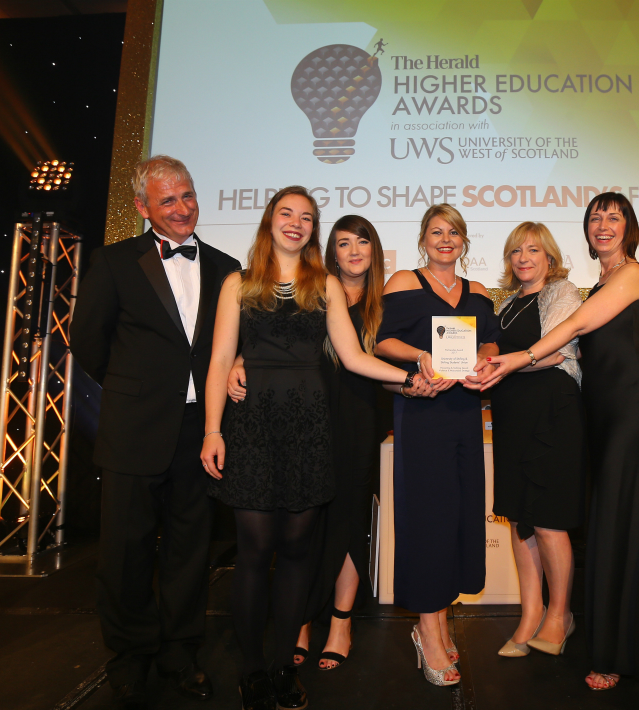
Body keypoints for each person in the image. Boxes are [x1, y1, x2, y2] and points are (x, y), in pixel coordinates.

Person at [200, 187, 425, 710]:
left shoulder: (324, 283)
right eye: (287, 213)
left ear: (313, 229)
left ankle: (282, 666)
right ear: (269, 221)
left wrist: (410, 379)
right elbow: (218, 362)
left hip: (309, 427)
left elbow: (352, 357)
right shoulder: (238, 282)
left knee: (299, 553)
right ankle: (252, 669)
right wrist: (213, 430)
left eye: (307, 217)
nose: (296, 223)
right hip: (251, 427)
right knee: (254, 555)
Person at [477, 193, 639, 691]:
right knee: (584, 527)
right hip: (597, 410)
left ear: (630, 226)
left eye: (614, 217)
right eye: (594, 218)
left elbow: (575, 332)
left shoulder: (624, 276)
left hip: (623, 408)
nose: (603, 225)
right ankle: (581, 634)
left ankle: (610, 643)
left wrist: (519, 358)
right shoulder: (592, 282)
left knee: (610, 525)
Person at [70, 155, 241, 709]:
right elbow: (89, 343)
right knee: (125, 552)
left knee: (191, 551)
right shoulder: (114, 261)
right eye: (168, 200)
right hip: (133, 429)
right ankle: (129, 656)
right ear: (142, 208)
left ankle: (180, 654)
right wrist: (137, 391)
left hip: (200, 431)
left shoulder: (225, 266)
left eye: (188, 195)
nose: (183, 208)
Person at [226, 215, 390, 671]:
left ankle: (340, 622)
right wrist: (241, 357)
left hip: (360, 418)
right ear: (330, 252)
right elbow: (273, 337)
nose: (354, 251)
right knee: (306, 524)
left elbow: (389, 356)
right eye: (343, 243)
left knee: (350, 517)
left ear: (375, 250)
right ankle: (299, 620)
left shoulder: (388, 299)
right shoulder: (313, 290)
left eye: (363, 242)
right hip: (309, 417)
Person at [375, 203, 501, 686]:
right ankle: (428, 630)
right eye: (435, 232)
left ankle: (441, 617)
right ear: (423, 239)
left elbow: (491, 343)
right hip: (424, 408)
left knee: (460, 515)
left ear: (464, 241)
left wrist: (480, 356)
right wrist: (423, 357)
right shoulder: (405, 281)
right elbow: (382, 341)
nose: (444, 239)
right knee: (428, 516)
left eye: (453, 232)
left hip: (465, 412)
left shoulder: (479, 291)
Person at [489, 222, 585, 660]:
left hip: (552, 410)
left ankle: (559, 614)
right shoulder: (506, 305)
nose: (523, 258)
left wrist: (500, 366)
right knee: (520, 517)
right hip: (511, 413)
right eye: (515, 252)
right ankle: (531, 614)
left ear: (549, 257)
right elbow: (493, 356)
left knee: (548, 518)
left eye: (533, 250)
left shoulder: (563, 293)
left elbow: (557, 352)